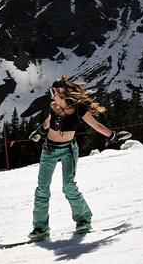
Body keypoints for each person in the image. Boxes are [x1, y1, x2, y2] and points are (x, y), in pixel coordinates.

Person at [26, 75, 131, 241]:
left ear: (62, 93)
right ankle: (40, 228)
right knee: (42, 189)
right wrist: (39, 131)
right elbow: (48, 121)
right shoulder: (53, 106)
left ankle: (83, 219)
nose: (51, 95)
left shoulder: (78, 108)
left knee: (68, 186)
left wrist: (113, 136)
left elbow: (96, 125)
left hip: (68, 149)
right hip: (49, 150)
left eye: (53, 91)